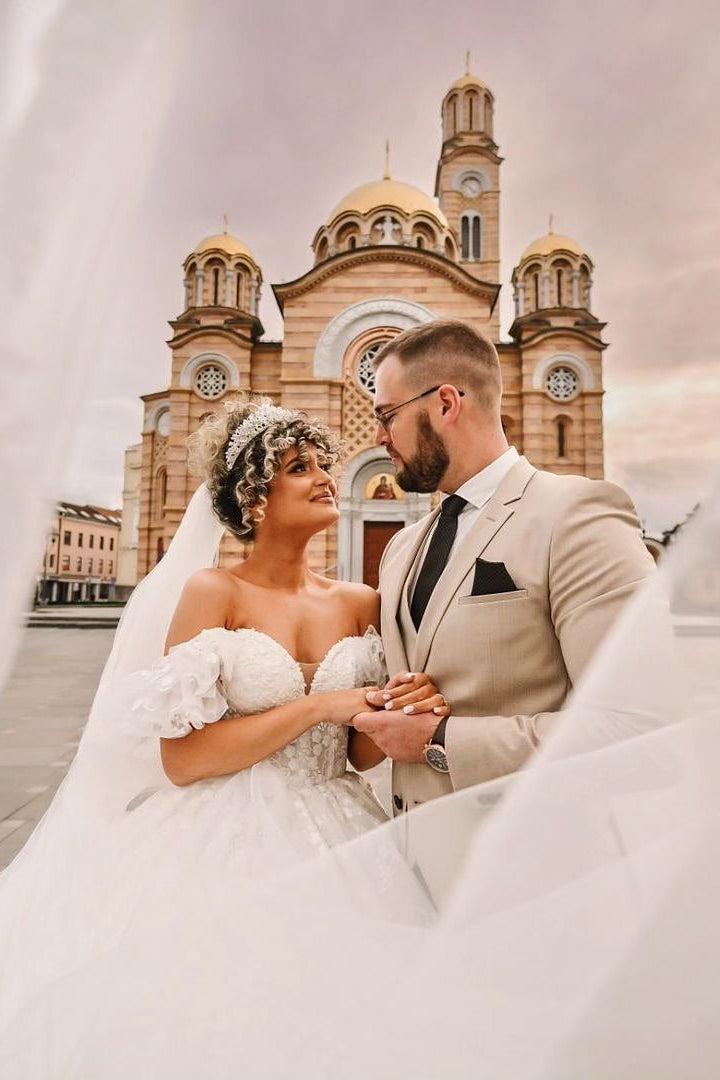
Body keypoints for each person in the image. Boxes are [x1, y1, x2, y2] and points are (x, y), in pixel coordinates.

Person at [0, 398, 447, 1067]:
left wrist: (398, 707)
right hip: (224, 833)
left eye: (323, 463)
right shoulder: (215, 592)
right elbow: (183, 760)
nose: (325, 477)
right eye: (300, 468)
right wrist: (319, 708)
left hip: (342, 829)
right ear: (255, 500)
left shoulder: (361, 602)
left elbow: (356, 752)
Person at [350, 320, 656, 813]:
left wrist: (441, 740)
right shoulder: (402, 548)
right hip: (408, 849)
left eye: (387, 415)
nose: (379, 436)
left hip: (533, 851)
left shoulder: (577, 516)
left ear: (445, 404)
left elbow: (639, 725)